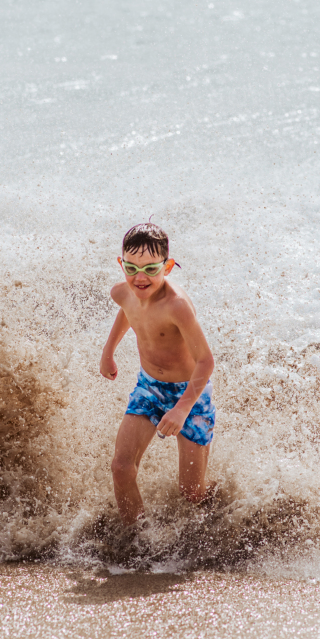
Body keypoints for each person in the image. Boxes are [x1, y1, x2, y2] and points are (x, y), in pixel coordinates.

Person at [100, 222, 216, 524]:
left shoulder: (176, 306)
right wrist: (108, 351)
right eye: (131, 267)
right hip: (149, 388)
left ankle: (222, 507)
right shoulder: (122, 292)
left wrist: (181, 410)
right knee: (121, 468)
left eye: (151, 269)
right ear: (120, 263)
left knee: (192, 493)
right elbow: (127, 310)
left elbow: (206, 362)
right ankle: (135, 540)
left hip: (190, 394)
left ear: (168, 266)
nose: (140, 278)